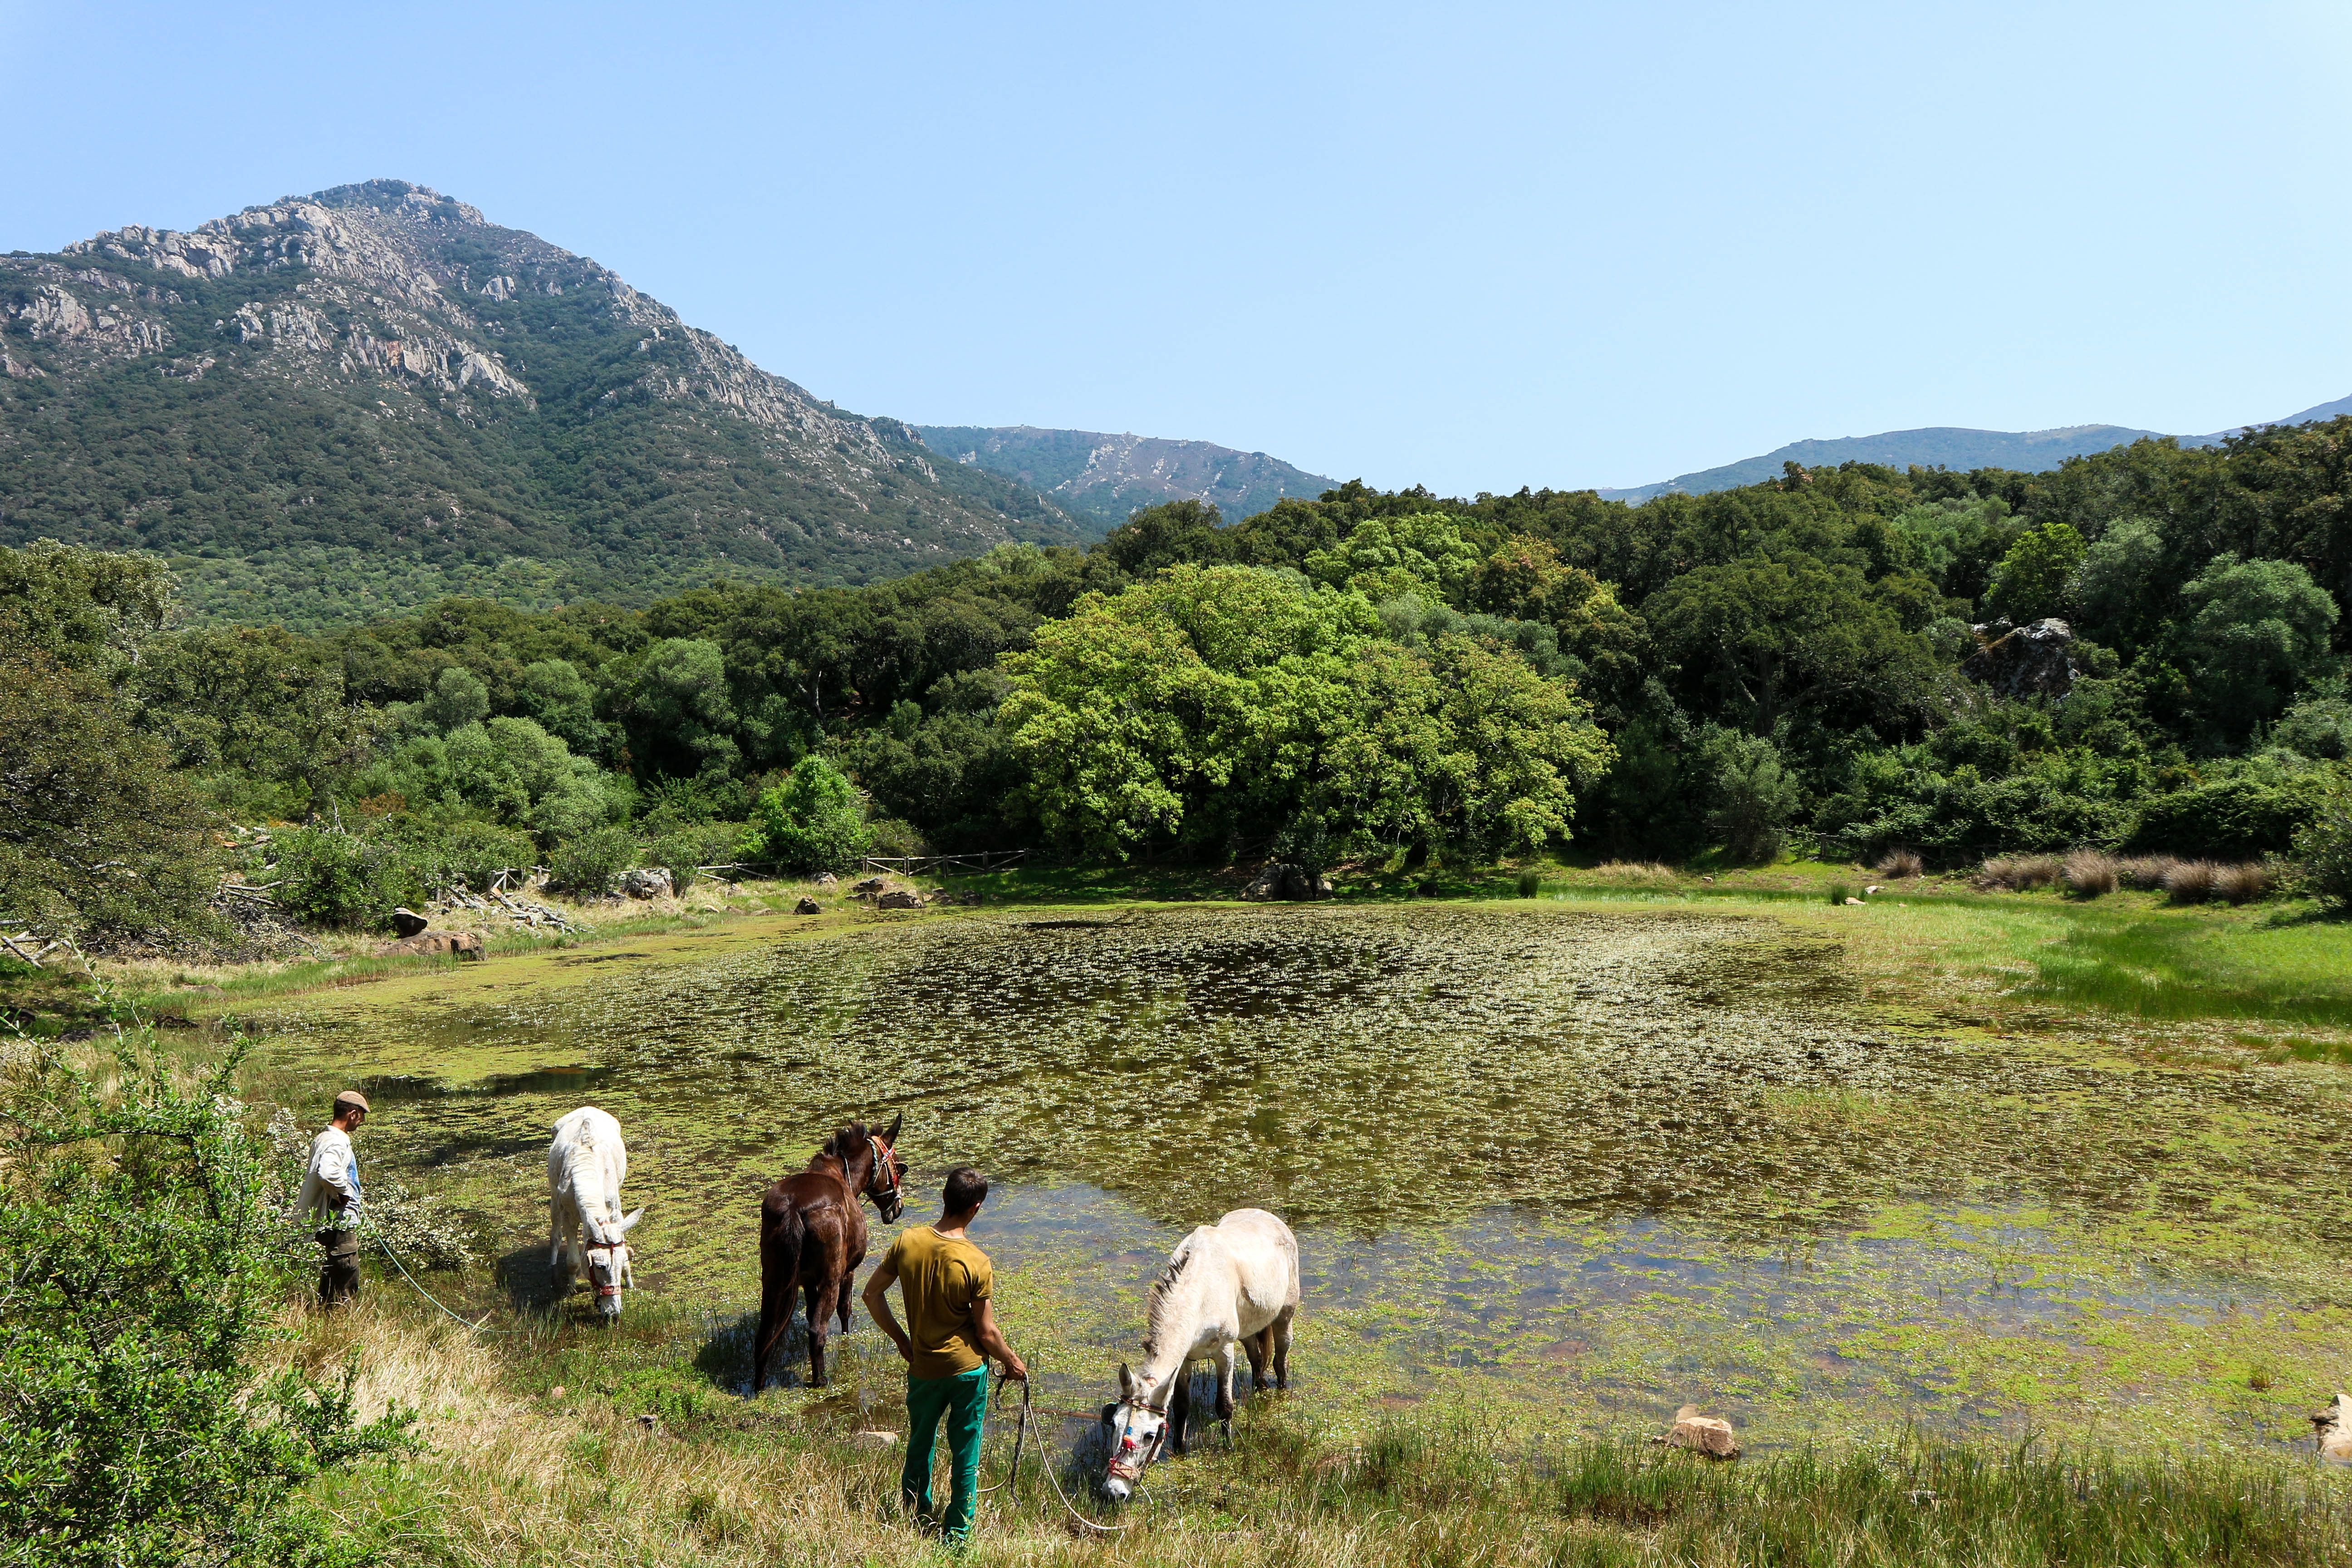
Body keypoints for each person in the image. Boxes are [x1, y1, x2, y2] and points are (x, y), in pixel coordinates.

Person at [862, 1167, 1028, 1548]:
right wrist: (1011, 1362)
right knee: (965, 1453)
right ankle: (956, 1535)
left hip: (923, 1369)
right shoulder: (977, 1262)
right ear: (976, 1208)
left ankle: (915, 1513)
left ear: (944, 1198)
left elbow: (871, 1296)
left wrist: (904, 1343)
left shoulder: (907, 1242)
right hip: (967, 1373)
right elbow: (985, 1333)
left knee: (921, 1443)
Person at [296, 1090, 368, 1306]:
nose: (361, 1123)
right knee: (346, 1278)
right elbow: (328, 1173)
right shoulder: (337, 1142)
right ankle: (340, 1325)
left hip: (331, 1222)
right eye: (361, 1117)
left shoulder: (323, 1138)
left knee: (333, 1276)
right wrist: (344, 1194)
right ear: (353, 1114)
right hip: (340, 1223)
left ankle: (323, 1316)